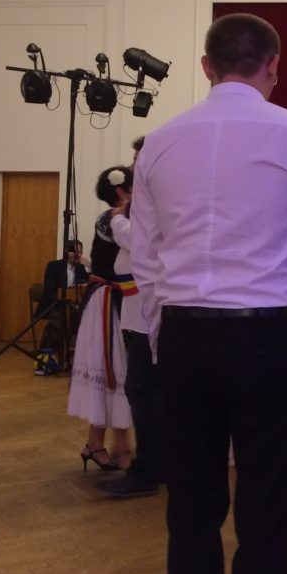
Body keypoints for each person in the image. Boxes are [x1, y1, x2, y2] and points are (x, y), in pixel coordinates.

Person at [130, 13, 287, 574]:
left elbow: (146, 260)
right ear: (274, 65)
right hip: (267, 339)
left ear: (206, 67)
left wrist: (161, 340)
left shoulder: (158, 142)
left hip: (184, 335)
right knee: (266, 510)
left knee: (190, 508)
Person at [97, 136, 166, 500]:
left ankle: (150, 468)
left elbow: (141, 242)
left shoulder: (156, 196)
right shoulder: (144, 197)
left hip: (148, 308)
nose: (132, 165)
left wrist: (118, 220)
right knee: (144, 389)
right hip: (137, 307)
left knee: (143, 388)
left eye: (138, 159)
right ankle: (155, 464)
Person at [67, 167, 134, 472]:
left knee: (115, 370)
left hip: (117, 299)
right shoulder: (111, 218)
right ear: (122, 191)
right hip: (107, 301)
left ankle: (96, 443)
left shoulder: (120, 217)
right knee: (114, 369)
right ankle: (119, 445)